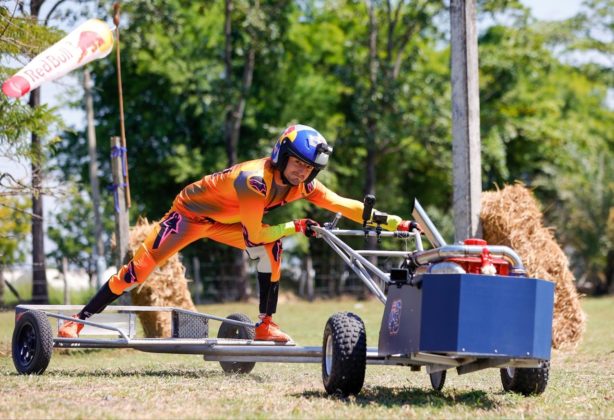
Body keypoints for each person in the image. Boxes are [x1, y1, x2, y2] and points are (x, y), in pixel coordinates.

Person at [59, 124, 421, 342]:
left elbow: (345, 205)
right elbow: (255, 233)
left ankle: (265, 325)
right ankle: (79, 322)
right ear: (281, 155)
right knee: (136, 272)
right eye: (297, 163)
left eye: (309, 168)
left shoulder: (303, 185)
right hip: (188, 216)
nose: (302, 172)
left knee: (273, 249)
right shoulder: (254, 181)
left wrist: (397, 223)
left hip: (228, 222)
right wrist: (296, 226)